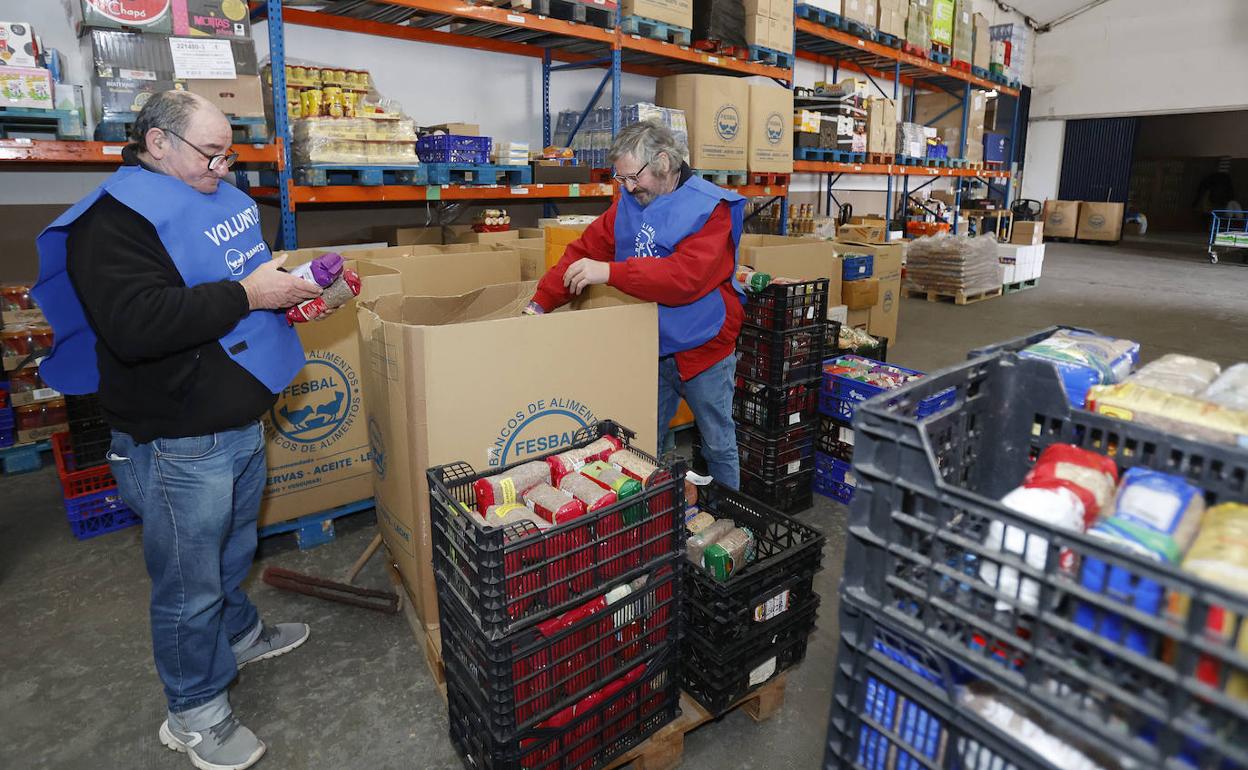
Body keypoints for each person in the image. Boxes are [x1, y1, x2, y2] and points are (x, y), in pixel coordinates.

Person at [33, 91, 324, 770]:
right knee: (188, 584)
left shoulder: (211, 195)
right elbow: (138, 326)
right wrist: (252, 295)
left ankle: (239, 633)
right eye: (210, 153)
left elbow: (232, 278)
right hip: (175, 439)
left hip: (237, 419)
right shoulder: (110, 224)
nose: (222, 167)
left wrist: (299, 290)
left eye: (228, 152)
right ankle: (194, 710)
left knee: (232, 548)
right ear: (157, 143)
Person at [527, 121, 746, 488]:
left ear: (662, 161)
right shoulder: (629, 203)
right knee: (643, 444)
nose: (627, 187)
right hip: (651, 348)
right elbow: (584, 252)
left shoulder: (711, 208)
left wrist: (610, 272)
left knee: (717, 442)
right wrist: (540, 303)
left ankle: (730, 521)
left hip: (704, 345)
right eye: (620, 178)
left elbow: (684, 279)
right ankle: (654, 519)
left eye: (633, 177)